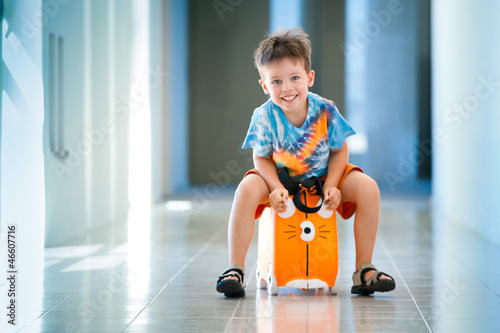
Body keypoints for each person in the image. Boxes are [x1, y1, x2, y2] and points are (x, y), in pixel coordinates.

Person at [216, 27, 395, 297]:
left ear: (309, 78)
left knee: (369, 188)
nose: (286, 88)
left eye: (294, 78)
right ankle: (236, 269)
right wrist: (274, 186)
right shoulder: (263, 116)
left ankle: (363, 269)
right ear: (264, 85)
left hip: (323, 176)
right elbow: (261, 158)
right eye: (276, 81)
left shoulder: (325, 109)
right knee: (246, 190)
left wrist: (333, 184)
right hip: (281, 177)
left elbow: (339, 150)